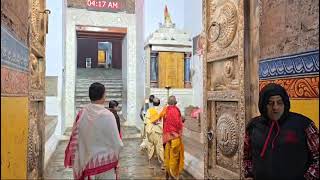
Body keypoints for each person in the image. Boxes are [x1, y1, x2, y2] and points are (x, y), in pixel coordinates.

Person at [243, 83, 319, 180]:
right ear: (262, 105)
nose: (275, 108)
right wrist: (249, 175)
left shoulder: (304, 125)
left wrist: (308, 178)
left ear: (285, 103)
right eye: (270, 103)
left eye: (279, 102)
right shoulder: (253, 126)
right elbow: (247, 156)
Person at [64, 82, 123, 179]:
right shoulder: (109, 116)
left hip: (87, 165)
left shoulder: (81, 114)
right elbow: (117, 143)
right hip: (106, 166)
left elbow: (75, 141)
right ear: (103, 96)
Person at [161, 95, 184, 180]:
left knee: (167, 155)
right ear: (176, 103)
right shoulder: (176, 110)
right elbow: (178, 123)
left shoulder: (165, 110)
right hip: (175, 137)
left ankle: (167, 174)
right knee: (175, 156)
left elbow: (163, 121)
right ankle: (173, 175)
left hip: (167, 137)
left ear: (168, 103)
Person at [143, 98, 165, 168]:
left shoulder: (149, 110)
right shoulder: (162, 110)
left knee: (150, 147)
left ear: (153, 103)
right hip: (158, 131)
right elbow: (164, 121)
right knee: (160, 147)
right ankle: (162, 164)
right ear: (159, 103)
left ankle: (151, 164)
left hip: (150, 131)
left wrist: (145, 132)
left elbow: (146, 122)